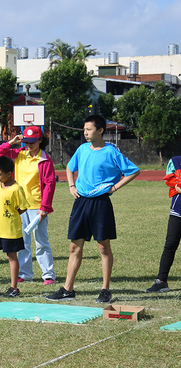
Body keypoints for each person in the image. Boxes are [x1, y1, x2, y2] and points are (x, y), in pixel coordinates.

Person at [47, 115, 140, 303]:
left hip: (101, 203)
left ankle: (105, 290)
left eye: (89, 129)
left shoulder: (111, 152)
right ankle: (67, 289)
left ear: (100, 130)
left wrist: (114, 187)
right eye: (84, 129)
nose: (85, 132)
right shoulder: (82, 150)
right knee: (74, 247)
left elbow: (134, 170)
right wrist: (71, 185)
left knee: (103, 247)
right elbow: (69, 167)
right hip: (81, 203)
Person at [0, 126, 57, 285]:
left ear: (40, 140)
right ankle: (25, 273)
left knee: (41, 242)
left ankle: (48, 274)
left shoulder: (45, 160)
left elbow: (50, 184)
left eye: (32, 142)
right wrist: (11, 142)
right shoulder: (18, 154)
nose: (28, 145)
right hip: (19, 207)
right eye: (26, 141)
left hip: (37, 207)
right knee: (22, 242)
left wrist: (44, 207)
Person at [0, 156, 29, 297]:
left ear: (9, 173)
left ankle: (13, 288)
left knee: (11, 256)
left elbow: (22, 208)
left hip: (11, 230)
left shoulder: (17, 189)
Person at [145, 156, 181, 293]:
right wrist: (175, 185)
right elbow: (170, 180)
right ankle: (162, 281)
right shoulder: (176, 161)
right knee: (170, 244)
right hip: (178, 210)